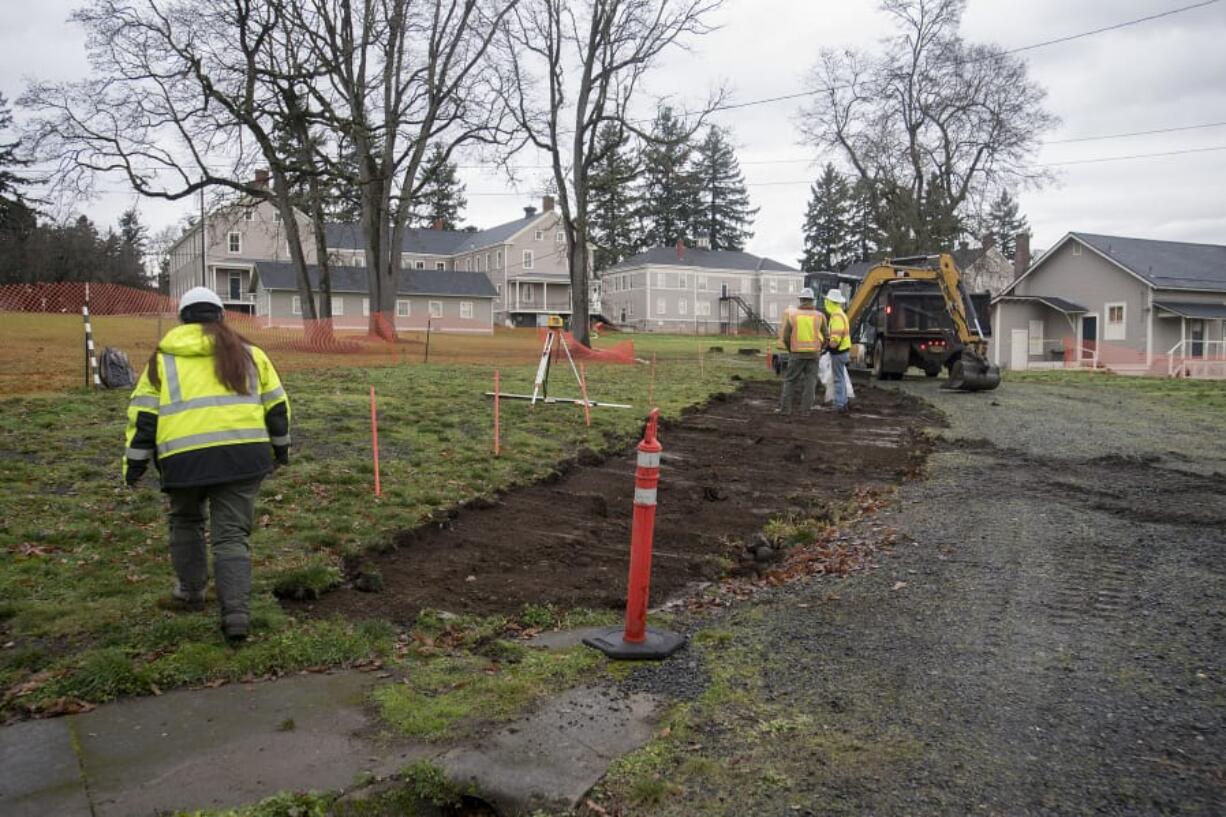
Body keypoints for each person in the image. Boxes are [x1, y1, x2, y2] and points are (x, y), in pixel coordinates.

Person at [123, 287, 291, 643]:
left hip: (183, 462)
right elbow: (277, 409)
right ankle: (236, 616)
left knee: (185, 521)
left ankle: (191, 591)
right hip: (243, 458)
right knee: (231, 536)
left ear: (182, 318)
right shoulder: (250, 355)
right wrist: (281, 451)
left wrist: (134, 465)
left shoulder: (162, 358)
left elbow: (143, 417)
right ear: (221, 316)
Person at [776, 287, 826, 415]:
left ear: (801, 300)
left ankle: (785, 410)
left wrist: (791, 349)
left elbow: (786, 337)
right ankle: (805, 411)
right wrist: (820, 348)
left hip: (796, 354)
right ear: (812, 300)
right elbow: (826, 336)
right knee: (810, 383)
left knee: (790, 381)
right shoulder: (820, 316)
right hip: (814, 355)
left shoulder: (793, 316)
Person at [824, 288, 853, 413]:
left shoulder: (836, 316)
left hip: (839, 352)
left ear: (830, 302)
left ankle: (839, 404)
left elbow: (835, 338)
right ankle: (843, 402)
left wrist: (829, 346)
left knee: (838, 379)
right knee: (841, 378)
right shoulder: (841, 314)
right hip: (844, 351)